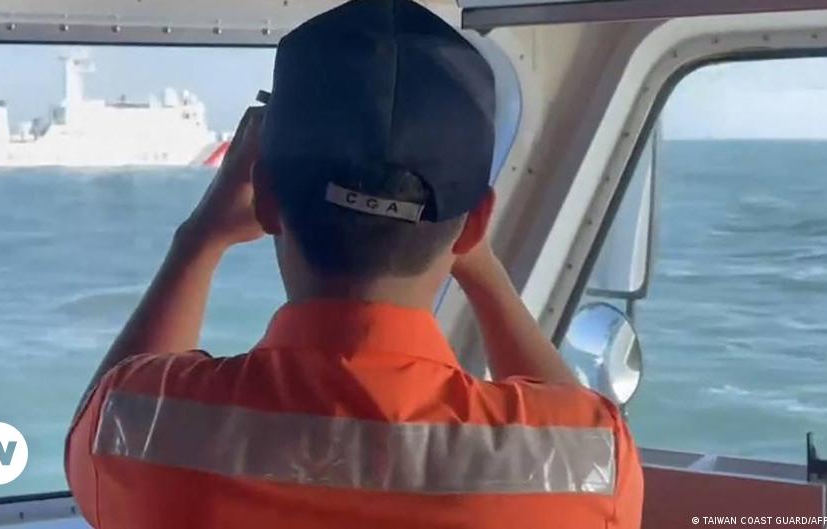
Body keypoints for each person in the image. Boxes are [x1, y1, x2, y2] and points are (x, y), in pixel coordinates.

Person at [65, 0, 643, 527]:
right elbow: (570, 419)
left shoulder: (141, 429)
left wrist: (198, 241)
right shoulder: (582, 462)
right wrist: (481, 266)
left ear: (265, 197)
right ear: (474, 223)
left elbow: (95, 429)